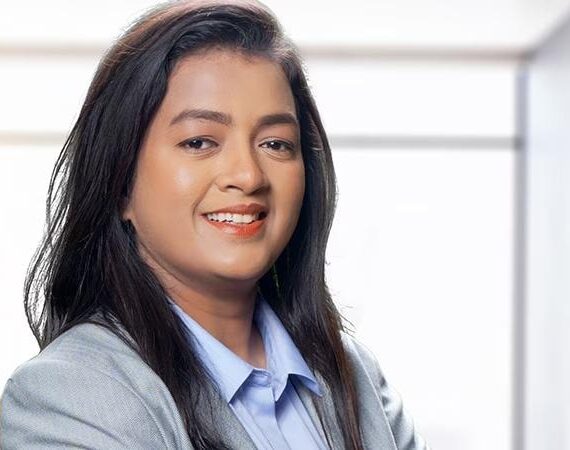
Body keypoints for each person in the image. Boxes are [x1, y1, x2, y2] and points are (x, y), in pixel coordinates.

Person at [0, 0, 429, 448]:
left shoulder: (355, 376)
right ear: (120, 181)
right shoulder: (69, 395)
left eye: (276, 144)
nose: (248, 176)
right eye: (199, 142)